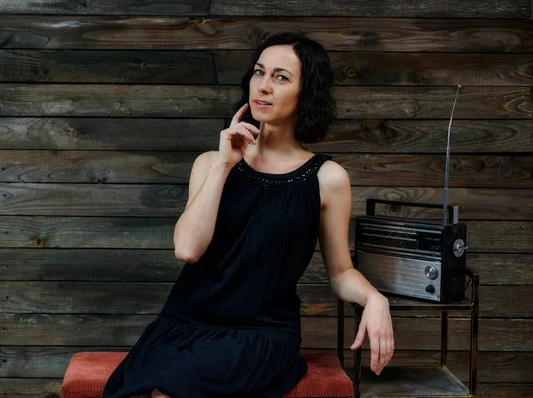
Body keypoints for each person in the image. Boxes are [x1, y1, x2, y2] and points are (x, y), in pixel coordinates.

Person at [103, 31, 394, 398]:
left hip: (260, 334)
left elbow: (340, 271)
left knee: (171, 394)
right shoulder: (211, 163)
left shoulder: (327, 178)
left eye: (281, 77)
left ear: (307, 93)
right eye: (259, 72)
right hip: (183, 325)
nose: (264, 86)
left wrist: (375, 299)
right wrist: (225, 164)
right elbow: (188, 250)